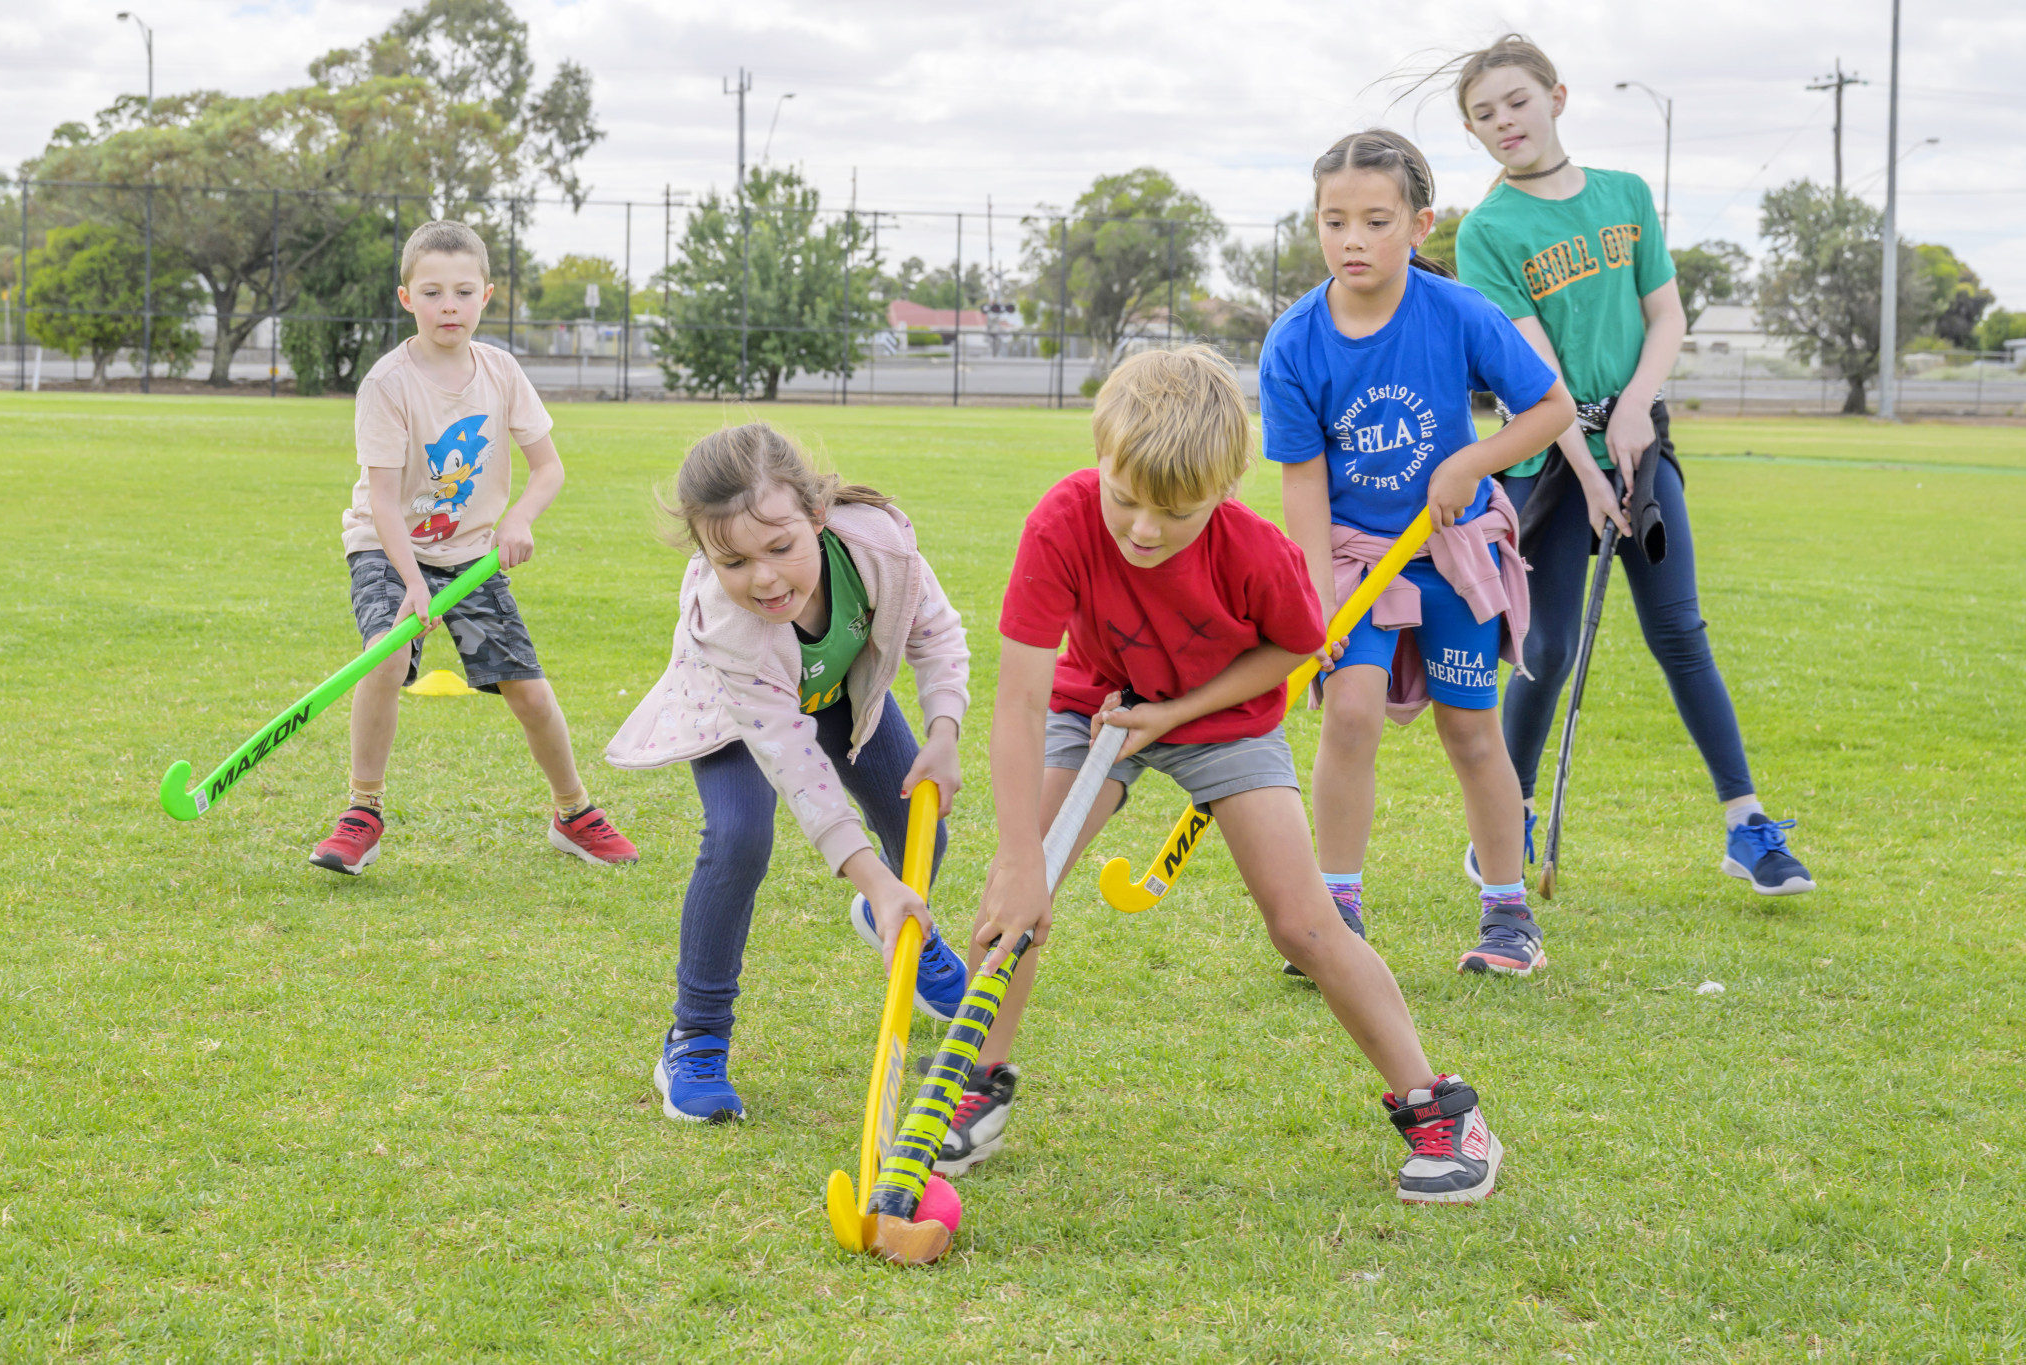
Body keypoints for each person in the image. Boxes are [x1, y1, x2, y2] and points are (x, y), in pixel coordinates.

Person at [944, 346, 1506, 1205]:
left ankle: (1441, 1109)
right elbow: (1020, 702)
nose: (1141, 528)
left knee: (1304, 926)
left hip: (1221, 719)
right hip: (1092, 708)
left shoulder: (1258, 552)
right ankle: (974, 1089)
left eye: (1173, 512)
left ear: (1223, 490)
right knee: (1009, 896)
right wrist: (1024, 859)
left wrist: (1173, 715)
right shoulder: (1061, 520)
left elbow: (1293, 647)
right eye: (1124, 497)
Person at [1449, 35, 1815, 896]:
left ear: (1557, 97)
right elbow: (1535, 377)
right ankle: (1506, 817)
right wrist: (1584, 465)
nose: (1504, 121)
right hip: (1548, 461)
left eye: (1515, 101)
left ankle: (1746, 824)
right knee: (1548, 643)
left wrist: (1638, 410)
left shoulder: (1625, 196)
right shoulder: (1489, 232)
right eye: (1483, 115)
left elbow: (1667, 317)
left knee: (1680, 633)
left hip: (1639, 446)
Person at [1262, 130, 1576, 978]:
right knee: (1351, 712)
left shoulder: (1459, 313)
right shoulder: (1292, 342)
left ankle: (1509, 916)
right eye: (1334, 221)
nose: (1352, 239)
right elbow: (1303, 489)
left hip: (1452, 553)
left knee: (1471, 731)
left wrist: (1470, 463)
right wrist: (1316, 602)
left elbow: (1550, 410)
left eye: (1374, 219)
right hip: (1359, 558)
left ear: (1418, 223)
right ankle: (1337, 910)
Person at [606, 424, 972, 1124]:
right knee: (740, 837)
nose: (765, 578)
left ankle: (893, 917)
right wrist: (866, 871)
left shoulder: (880, 546)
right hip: (738, 719)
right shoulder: (731, 625)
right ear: (706, 554)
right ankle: (696, 1037)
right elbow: (795, 765)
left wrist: (945, 731)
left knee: (922, 834)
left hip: (836, 692)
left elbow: (937, 633)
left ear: (816, 515)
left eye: (781, 548)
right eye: (734, 561)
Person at [312, 220, 637, 877]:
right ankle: (362, 811)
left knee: (530, 692)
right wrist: (409, 583)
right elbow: (380, 499)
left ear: (487, 295)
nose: (449, 305)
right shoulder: (388, 384)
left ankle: (573, 813)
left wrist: (517, 520)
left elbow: (549, 469)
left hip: (473, 556)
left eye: (463, 291)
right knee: (386, 652)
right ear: (407, 299)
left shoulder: (501, 373)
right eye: (432, 292)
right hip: (387, 545)